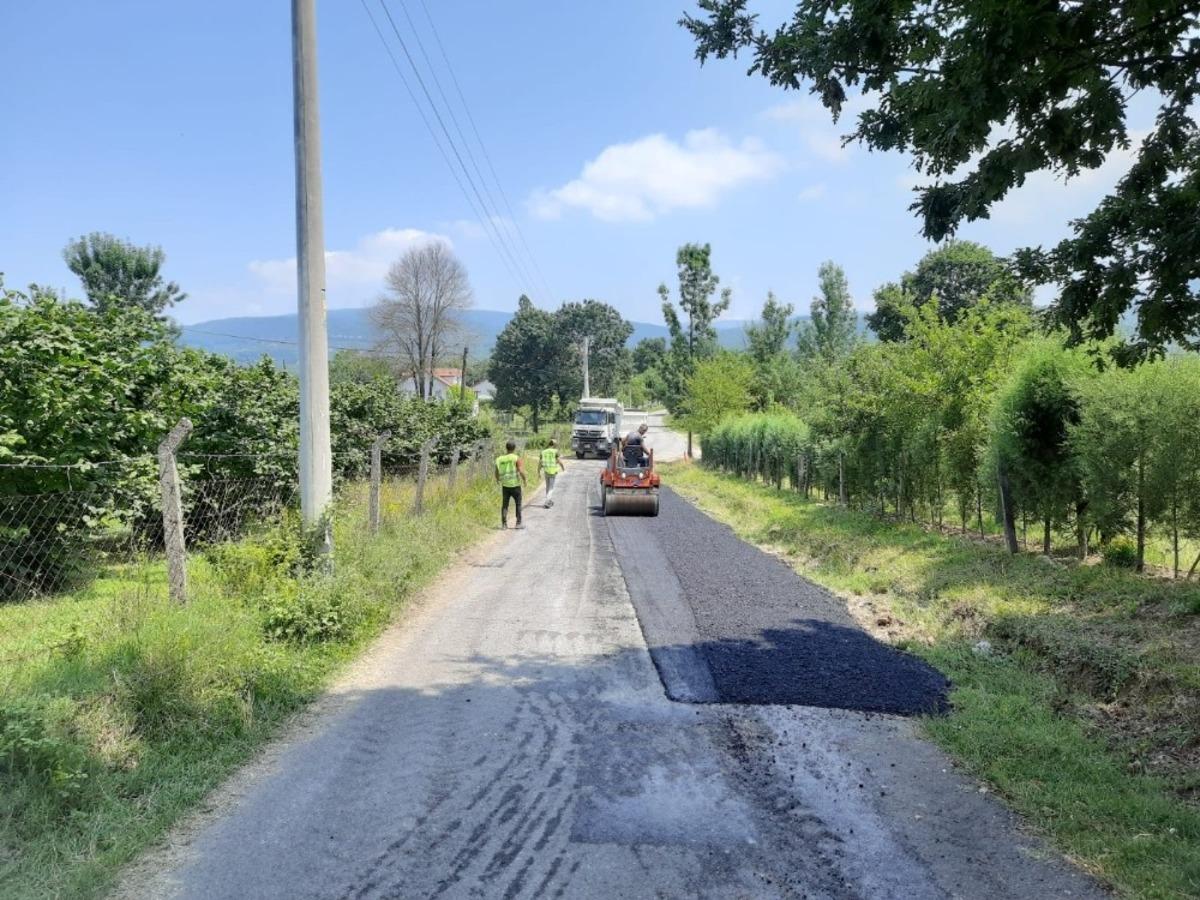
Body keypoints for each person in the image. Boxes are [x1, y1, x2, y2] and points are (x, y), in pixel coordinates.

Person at [494, 440, 528, 529]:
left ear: (506, 448)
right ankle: (518, 523)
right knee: (518, 504)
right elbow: (521, 471)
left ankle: (504, 524)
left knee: (505, 505)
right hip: (515, 485)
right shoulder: (516, 458)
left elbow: (496, 472)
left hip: (505, 486)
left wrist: (497, 480)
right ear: (514, 448)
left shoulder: (499, 459)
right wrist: (525, 480)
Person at [538, 439, 565, 508]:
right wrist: (563, 468)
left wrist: (538, 471)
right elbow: (559, 461)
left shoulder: (543, 452)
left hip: (546, 471)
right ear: (554, 445)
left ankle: (548, 501)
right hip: (553, 471)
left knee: (547, 486)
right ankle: (547, 501)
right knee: (551, 488)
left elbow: (540, 463)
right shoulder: (555, 451)